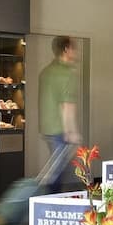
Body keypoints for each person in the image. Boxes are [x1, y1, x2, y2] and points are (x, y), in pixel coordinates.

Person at [38, 35, 80, 191]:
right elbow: (67, 105)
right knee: (57, 173)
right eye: (74, 48)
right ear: (66, 49)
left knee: (58, 169)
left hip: (47, 127)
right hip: (60, 129)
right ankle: (49, 200)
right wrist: (71, 132)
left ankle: (52, 196)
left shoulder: (46, 71)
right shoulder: (67, 73)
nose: (76, 51)